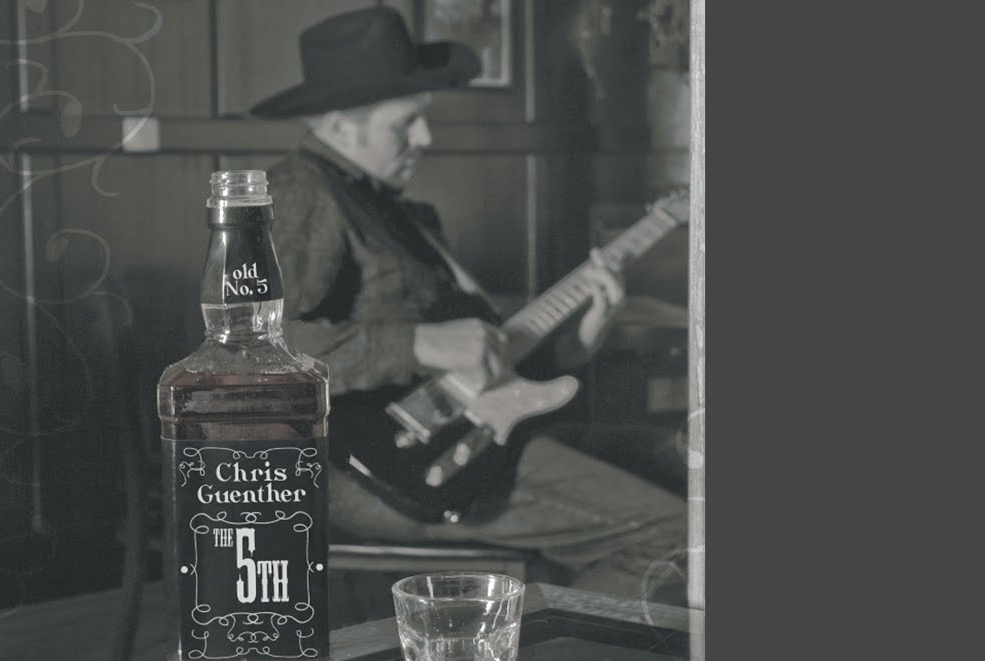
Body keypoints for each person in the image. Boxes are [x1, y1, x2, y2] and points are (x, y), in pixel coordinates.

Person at [250, 6, 688, 605]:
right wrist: (419, 343)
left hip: (469, 434)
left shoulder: (396, 211)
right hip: (370, 472)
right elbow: (258, 352)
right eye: (406, 123)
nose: (425, 138)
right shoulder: (304, 192)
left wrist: (582, 336)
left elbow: (478, 365)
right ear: (339, 124)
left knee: (684, 458)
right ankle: (509, 656)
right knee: (677, 538)